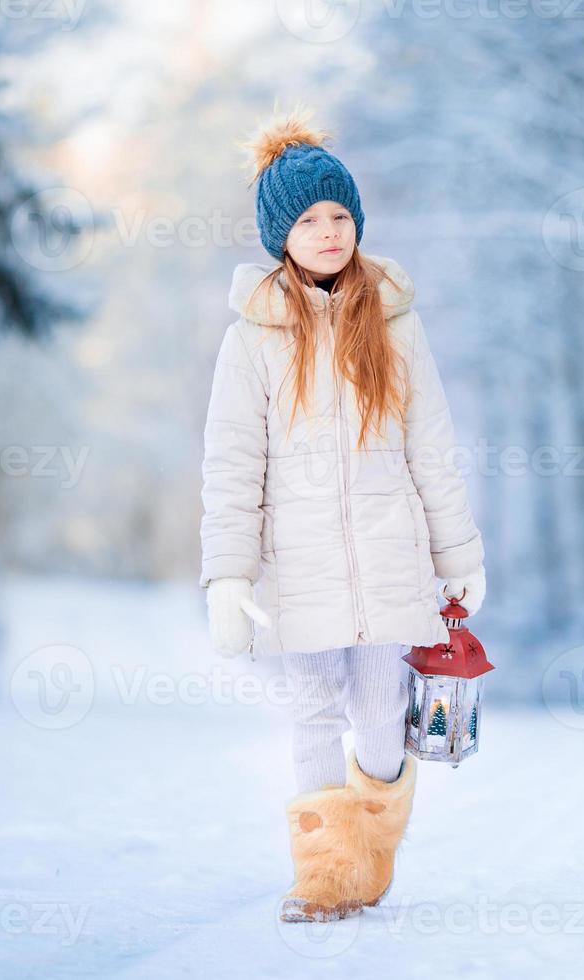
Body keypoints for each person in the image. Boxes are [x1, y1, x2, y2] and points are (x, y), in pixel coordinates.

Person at [199, 107, 486, 923]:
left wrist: (458, 555)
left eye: (339, 216)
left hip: (391, 560)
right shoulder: (250, 341)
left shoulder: (395, 326)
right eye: (308, 219)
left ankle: (369, 856)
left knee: (377, 718)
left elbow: (433, 446)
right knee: (313, 710)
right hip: (301, 569)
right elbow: (231, 465)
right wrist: (227, 575)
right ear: (277, 235)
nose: (328, 232)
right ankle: (324, 875)